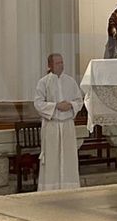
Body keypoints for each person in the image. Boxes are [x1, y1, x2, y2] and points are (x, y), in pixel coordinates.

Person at [33, 53, 84, 191]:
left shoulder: (70, 81)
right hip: (52, 126)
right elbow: (38, 103)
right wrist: (55, 106)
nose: (61, 65)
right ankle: (51, 188)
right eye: (57, 63)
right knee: (52, 159)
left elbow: (79, 101)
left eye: (62, 62)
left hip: (67, 125)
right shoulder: (44, 82)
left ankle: (70, 187)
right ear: (50, 65)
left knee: (68, 157)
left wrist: (71, 105)